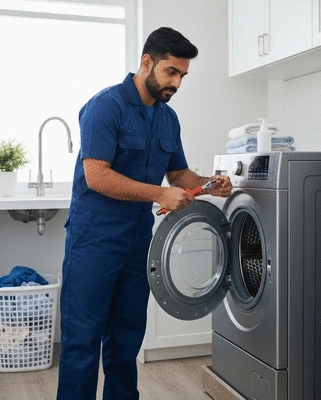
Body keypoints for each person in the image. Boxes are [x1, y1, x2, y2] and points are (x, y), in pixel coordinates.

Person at [56, 27, 232, 400]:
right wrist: (159, 192)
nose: (177, 83)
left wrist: (209, 184)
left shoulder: (168, 119)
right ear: (147, 62)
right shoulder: (105, 106)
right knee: (82, 340)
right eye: (171, 72)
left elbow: (180, 176)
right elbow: (97, 176)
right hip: (95, 240)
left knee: (126, 337)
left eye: (183, 75)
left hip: (139, 242)